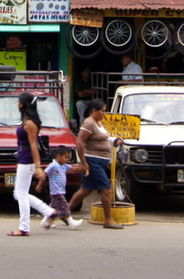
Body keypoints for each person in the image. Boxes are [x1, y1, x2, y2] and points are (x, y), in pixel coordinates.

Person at [68, 98, 125, 230]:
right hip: (93, 161)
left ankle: (63, 212)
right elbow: (79, 143)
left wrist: (114, 140)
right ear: (94, 110)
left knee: (86, 190)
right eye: (103, 111)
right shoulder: (88, 123)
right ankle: (109, 220)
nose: (104, 114)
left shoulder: (98, 123)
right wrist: (83, 163)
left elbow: (102, 138)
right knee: (106, 189)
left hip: (100, 161)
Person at [7, 92, 57, 236]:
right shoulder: (27, 121)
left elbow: (33, 145)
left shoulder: (30, 124)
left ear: (22, 104)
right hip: (24, 159)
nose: (17, 104)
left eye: (18, 102)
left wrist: (37, 166)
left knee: (20, 194)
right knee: (19, 193)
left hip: (27, 160)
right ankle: (48, 211)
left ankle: (24, 227)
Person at [37, 146, 85, 230]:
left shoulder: (64, 166)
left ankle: (45, 221)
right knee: (65, 205)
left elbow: (72, 169)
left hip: (61, 190)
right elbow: (44, 174)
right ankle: (71, 222)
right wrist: (40, 185)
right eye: (65, 157)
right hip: (56, 191)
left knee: (53, 207)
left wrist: (82, 169)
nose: (67, 160)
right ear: (59, 156)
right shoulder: (53, 166)